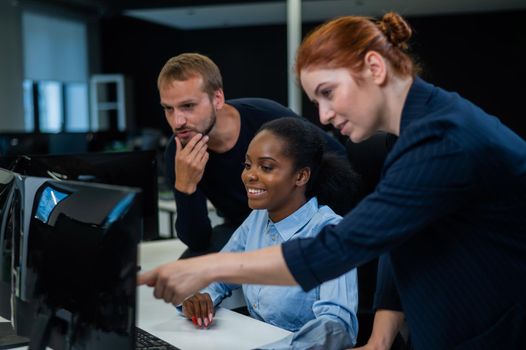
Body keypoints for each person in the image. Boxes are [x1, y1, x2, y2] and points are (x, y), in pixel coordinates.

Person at [140, 12, 526, 349]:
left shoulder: (441, 138)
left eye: (328, 93)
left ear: (375, 68)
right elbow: (398, 239)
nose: (322, 116)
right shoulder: (414, 133)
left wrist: (209, 269)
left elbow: (346, 245)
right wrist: (379, 338)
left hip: (491, 324)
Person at [181, 117, 361, 349]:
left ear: (300, 176)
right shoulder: (258, 218)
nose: (250, 176)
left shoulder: (329, 233)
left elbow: (337, 327)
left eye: (266, 167)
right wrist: (203, 296)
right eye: (248, 165)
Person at [158, 53, 346, 257]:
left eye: (188, 106)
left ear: (217, 99)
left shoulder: (265, 115)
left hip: (299, 221)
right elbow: (198, 240)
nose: (177, 121)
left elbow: (339, 160)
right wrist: (185, 188)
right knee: (186, 272)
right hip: (241, 229)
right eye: (168, 109)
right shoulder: (178, 152)